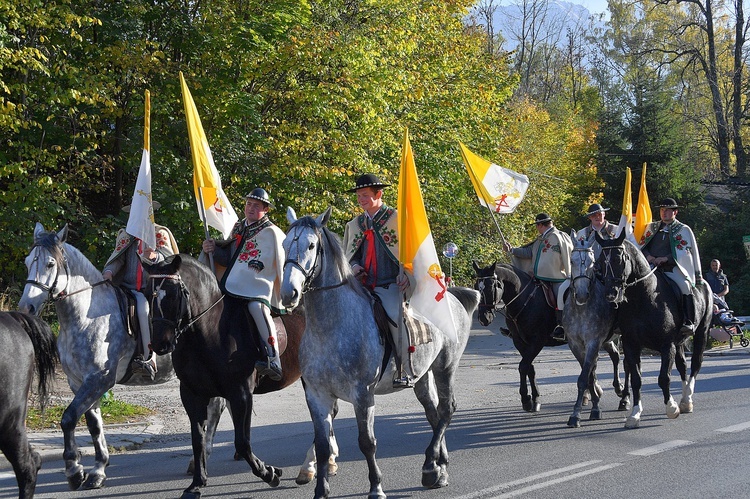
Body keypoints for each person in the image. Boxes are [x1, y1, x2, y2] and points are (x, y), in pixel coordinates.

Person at [202, 188, 286, 381]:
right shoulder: (239, 227)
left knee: (256, 307)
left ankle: (273, 358)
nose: (250, 208)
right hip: (235, 282)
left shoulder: (271, 232)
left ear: (265, 209)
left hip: (260, 284)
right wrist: (213, 249)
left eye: (256, 205)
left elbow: (267, 263)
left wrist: (250, 271)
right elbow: (231, 259)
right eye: (248, 204)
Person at [343, 173, 413, 388]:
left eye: (365, 195)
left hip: (390, 284)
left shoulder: (398, 219)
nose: (361, 199)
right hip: (361, 287)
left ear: (379, 194)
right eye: (359, 196)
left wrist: (406, 273)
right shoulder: (355, 224)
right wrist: (354, 267)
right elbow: (349, 255)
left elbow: (412, 252)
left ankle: (405, 368)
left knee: (396, 317)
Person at [102, 202, 179, 380]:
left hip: (150, 289)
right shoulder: (126, 235)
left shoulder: (159, 234)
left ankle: (148, 357)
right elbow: (118, 258)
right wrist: (108, 272)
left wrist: (155, 256)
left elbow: (169, 259)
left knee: (144, 309)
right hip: (125, 287)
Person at [503, 213, 573, 341]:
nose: (537, 228)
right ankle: (517, 327)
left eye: (537, 225)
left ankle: (561, 327)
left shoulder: (558, 237)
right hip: (537, 278)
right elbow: (529, 253)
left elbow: (557, 258)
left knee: (560, 297)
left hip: (556, 277)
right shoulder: (541, 238)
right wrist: (512, 250)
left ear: (541, 225)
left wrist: (541, 271)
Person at [639, 198, 702, 334]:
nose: (664, 213)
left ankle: (688, 321)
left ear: (675, 212)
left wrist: (665, 258)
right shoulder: (651, 227)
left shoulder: (683, 229)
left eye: (667, 210)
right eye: (662, 210)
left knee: (685, 286)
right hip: (650, 268)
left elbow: (684, 252)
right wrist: (649, 257)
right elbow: (642, 247)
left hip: (671, 268)